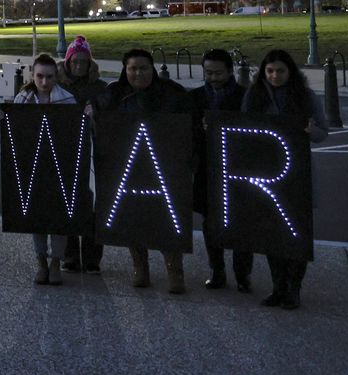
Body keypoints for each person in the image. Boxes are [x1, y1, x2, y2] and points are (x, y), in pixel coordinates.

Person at [91, 48, 196, 294]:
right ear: (125, 70)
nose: (138, 73)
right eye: (132, 68)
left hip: (165, 168)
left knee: (168, 219)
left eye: (143, 68)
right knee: (133, 217)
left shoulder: (173, 94)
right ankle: (140, 265)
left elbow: (189, 128)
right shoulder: (113, 95)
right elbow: (98, 116)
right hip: (128, 168)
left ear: (153, 69)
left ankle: (174, 267)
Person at [242, 49, 327, 311]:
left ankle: (294, 287)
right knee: (271, 232)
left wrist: (313, 132)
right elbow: (243, 128)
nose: (274, 76)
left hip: (296, 172)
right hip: (265, 172)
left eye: (280, 71)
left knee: (297, 232)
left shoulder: (306, 97)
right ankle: (278, 286)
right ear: (263, 73)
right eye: (269, 71)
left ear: (290, 72)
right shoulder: (253, 96)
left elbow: (323, 133)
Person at [0, 54, 77, 285]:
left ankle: (56, 262)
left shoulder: (67, 100)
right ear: (32, 75)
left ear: (56, 76)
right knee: (37, 216)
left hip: (58, 167)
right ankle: (41, 260)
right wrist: (3, 119)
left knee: (58, 217)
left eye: (49, 77)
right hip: (31, 166)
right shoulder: (22, 100)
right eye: (40, 76)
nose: (44, 82)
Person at [190, 48, 251, 292]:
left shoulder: (246, 97)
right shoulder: (195, 98)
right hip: (207, 168)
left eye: (218, 73)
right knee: (210, 222)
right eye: (208, 73)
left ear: (230, 71)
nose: (213, 78)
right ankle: (217, 269)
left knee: (242, 221)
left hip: (239, 168)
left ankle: (242, 272)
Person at [56, 35, 107, 274]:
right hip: (65, 151)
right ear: (67, 62)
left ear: (89, 63)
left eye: (83, 62)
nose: (78, 66)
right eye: (74, 61)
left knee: (93, 205)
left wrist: (95, 111)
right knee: (68, 203)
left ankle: (92, 257)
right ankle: (70, 256)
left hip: (93, 151)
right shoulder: (60, 86)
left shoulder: (99, 88)